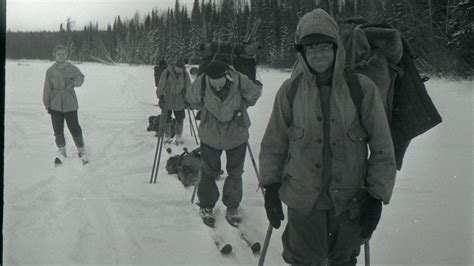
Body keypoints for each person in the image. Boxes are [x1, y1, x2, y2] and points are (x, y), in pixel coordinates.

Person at [259, 8, 397, 266]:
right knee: (302, 261)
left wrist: (376, 196)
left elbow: (382, 147)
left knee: (343, 261)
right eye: (310, 48)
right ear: (302, 53)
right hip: (303, 202)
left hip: (348, 203)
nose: (318, 53)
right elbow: (274, 143)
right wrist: (270, 187)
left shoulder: (362, 88)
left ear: (337, 48)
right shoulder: (290, 91)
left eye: (324, 46)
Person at [186, 60, 262, 226]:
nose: (217, 87)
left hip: (236, 134)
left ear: (227, 75)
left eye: (220, 84)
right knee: (208, 171)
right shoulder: (203, 81)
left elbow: (254, 93)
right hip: (211, 135)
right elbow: (192, 98)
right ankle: (206, 205)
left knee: (235, 172)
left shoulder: (239, 79)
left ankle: (232, 206)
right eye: (214, 84)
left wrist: (242, 106)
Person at [43, 44, 87, 161]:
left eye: (63, 54)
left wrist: (73, 78)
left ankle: (81, 149)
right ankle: (62, 149)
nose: (61, 56)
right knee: (57, 129)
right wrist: (47, 104)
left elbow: (80, 81)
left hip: (70, 102)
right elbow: (47, 88)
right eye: (59, 54)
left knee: (74, 127)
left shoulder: (72, 68)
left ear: (66, 55)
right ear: (55, 55)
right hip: (55, 103)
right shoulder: (50, 71)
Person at [156, 58, 191, 145]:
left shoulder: (185, 74)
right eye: (179, 69)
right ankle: (167, 135)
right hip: (168, 99)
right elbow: (161, 85)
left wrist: (189, 99)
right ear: (175, 67)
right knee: (167, 118)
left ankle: (178, 136)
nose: (180, 71)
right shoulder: (167, 72)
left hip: (180, 99)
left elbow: (188, 87)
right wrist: (160, 97)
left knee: (180, 118)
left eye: (181, 69)